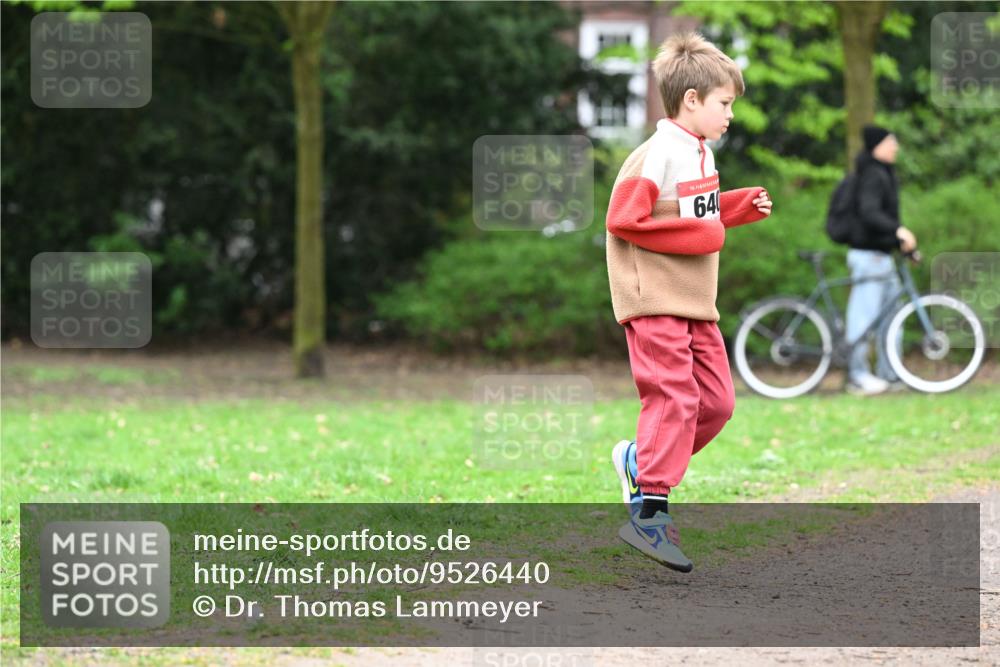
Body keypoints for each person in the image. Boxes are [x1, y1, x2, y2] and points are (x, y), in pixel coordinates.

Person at [604, 32, 772, 571]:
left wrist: (734, 209)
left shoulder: (696, 150)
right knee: (673, 399)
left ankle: (639, 459)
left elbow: (691, 214)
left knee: (717, 405)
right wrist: (708, 234)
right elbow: (625, 220)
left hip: (697, 302)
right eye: (725, 104)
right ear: (692, 100)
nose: (730, 115)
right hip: (654, 300)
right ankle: (649, 514)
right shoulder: (657, 154)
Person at [843, 125, 916, 396]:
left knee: (893, 318)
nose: (895, 146)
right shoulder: (872, 173)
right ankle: (858, 376)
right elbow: (870, 213)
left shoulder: (883, 172)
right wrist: (898, 231)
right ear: (877, 146)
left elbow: (883, 219)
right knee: (863, 319)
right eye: (891, 142)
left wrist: (903, 246)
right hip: (868, 256)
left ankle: (891, 374)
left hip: (882, 256)